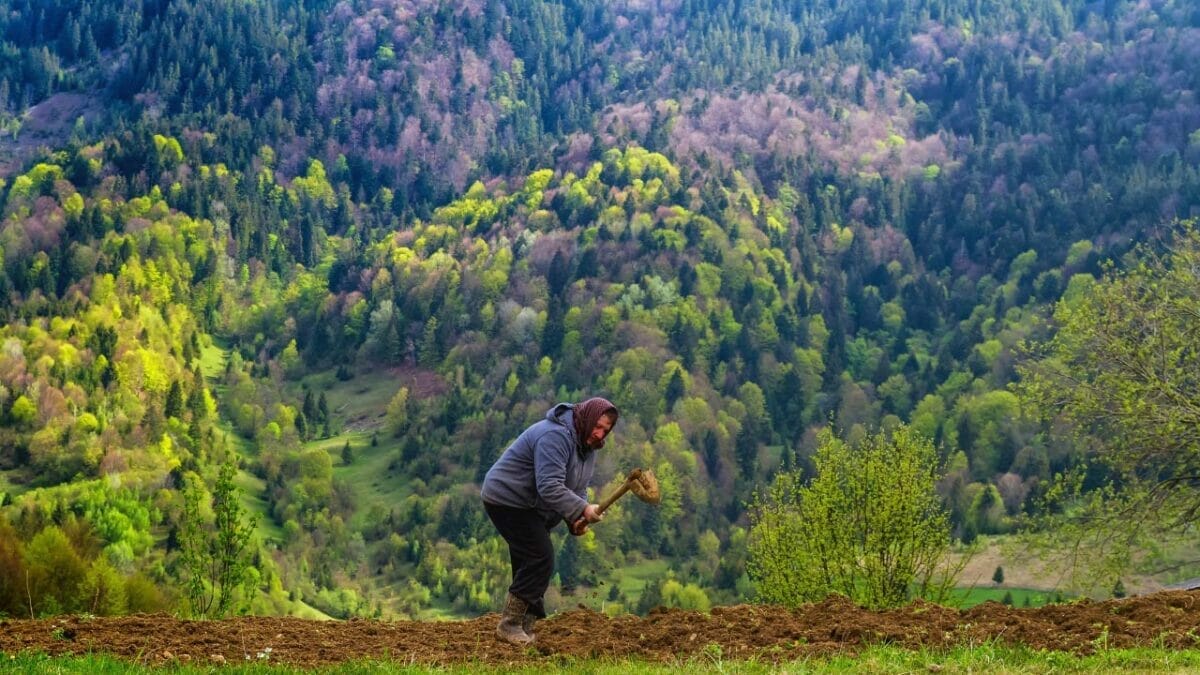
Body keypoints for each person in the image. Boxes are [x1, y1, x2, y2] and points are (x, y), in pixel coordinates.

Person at [480, 397, 619, 646]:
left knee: (529, 560)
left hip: (532, 505)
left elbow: (578, 487)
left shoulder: (587, 448)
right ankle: (509, 625)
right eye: (597, 426)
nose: (600, 434)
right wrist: (584, 509)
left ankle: (525, 626)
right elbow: (549, 485)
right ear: (586, 418)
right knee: (540, 556)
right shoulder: (555, 436)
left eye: (605, 430)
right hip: (507, 498)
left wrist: (576, 517)